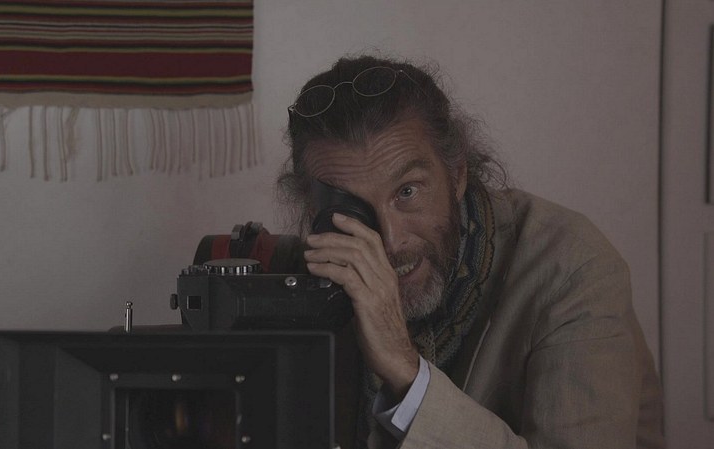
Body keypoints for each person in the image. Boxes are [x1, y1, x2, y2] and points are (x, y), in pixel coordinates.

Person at [277, 55, 664, 449]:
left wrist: (404, 369)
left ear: (457, 174)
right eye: (352, 208)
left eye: (407, 191)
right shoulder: (314, 269)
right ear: (314, 212)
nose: (391, 241)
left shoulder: (573, 269)